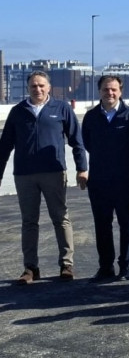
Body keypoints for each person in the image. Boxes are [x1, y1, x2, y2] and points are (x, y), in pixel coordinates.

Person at [0, 70, 87, 284]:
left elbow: (77, 140)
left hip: (54, 173)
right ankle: (30, 268)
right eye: (33, 86)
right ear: (28, 88)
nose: (37, 89)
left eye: (41, 85)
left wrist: (82, 168)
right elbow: (4, 147)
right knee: (29, 221)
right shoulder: (18, 112)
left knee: (60, 218)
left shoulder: (62, 109)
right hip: (25, 175)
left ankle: (66, 264)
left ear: (49, 88)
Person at [81, 75, 129, 282]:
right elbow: (87, 143)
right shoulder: (90, 118)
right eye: (106, 90)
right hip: (99, 181)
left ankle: (125, 266)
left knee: (127, 224)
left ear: (121, 91)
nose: (110, 93)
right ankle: (105, 266)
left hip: (126, 180)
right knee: (102, 224)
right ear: (99, 91)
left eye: (114, 90)